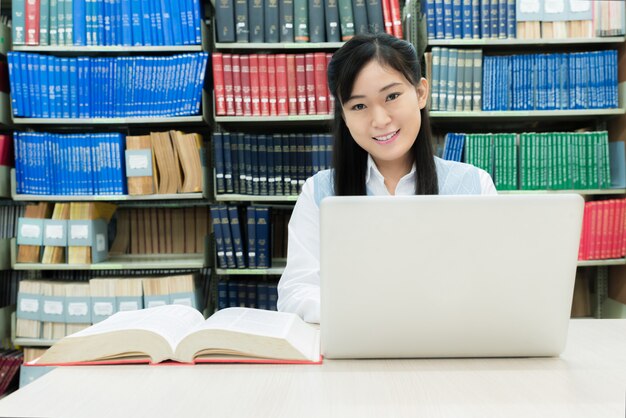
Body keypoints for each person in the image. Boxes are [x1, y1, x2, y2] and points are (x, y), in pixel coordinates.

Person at [277, 33, 497, 324]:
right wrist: (367, 314)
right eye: (359, 106)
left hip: (449, 350)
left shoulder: (474, 186)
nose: (379, 120)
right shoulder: (319, 192)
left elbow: (494, 287)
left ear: (420, 93)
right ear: (343, 115)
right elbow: (297, 291)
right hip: (353, 350)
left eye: (391, 96)